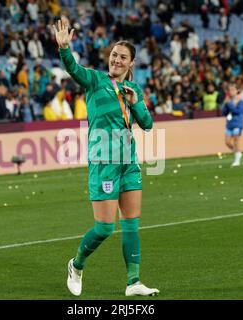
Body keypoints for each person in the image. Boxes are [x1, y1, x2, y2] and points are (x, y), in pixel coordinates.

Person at [53, 16, 159, 297]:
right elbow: (73, 69)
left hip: (128, 163)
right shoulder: (95, 80)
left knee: (132, 225)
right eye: (114, 55)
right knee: (103, 228)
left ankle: (133, 282)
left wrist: (136, 104)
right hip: (103, 163)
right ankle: (76, 265)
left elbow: (147, 124)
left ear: (131, 63)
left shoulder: (134, 91)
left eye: (123, 57)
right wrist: (65, 48)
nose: (117, 60)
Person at [222, 84, 243, 167]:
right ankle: (237, 153)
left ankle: (237, 160)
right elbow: (224, 113)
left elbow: (237, 111)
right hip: (229, 123)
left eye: (232, 90)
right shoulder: (229, 101)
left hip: (237, 122)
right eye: (230, 90)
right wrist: (225, 104)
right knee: (227, 142)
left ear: (236, 91)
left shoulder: (240, 101)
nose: (231, 92)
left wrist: (229, 104)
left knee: (236, 140)